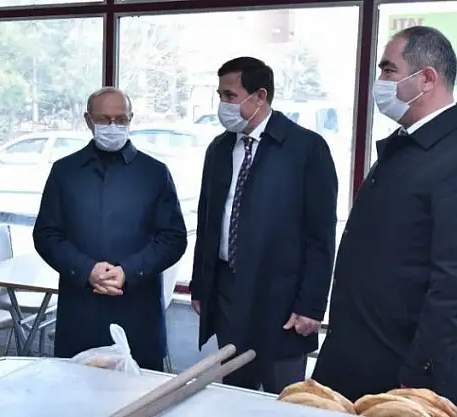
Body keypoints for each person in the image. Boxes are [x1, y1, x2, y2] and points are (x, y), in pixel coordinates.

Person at [313, 26, 457, 402]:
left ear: (427, 79)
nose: (380, 82)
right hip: (355, 358)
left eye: (389, 70)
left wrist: (420, 375)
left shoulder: (450, 155)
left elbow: (451, 284)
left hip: (403, 375)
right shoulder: (406, 145)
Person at [189, 57, 338, 394]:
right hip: (228, 291)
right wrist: (201, 286)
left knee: (283, 397)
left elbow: (321, 235)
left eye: (230, 96)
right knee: (234, 392)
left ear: (259, 96)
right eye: (220, 95)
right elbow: (208, 220)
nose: (222, 104)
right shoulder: (219, 149)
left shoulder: (305, 148)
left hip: (282, 299)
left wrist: (311, 305)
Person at [32, 87, 187, 371]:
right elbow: (46, 234)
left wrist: (129, 271)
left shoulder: (154, 173)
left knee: (141, 394)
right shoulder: (65, 172)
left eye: (121, 119)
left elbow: (173, 238)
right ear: (88, 120)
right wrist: (86, 269)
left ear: (131, 118)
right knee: (76, 391)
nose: (113, 126)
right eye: (104, 119)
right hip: (81, 312)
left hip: (138, 313)